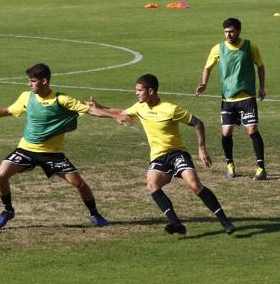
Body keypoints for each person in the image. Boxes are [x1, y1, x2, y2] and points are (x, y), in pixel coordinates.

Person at [0, 63, 127, 229]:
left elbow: (91, 110)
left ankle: (94, 214)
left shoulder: (61, 100)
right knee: (1, 175)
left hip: (52, 154)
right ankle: (8, 211)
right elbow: (8, 111)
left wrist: (113, 116)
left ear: (44, 81)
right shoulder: (26, 97)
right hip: (26, 149)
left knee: (80, 184)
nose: (29, 84)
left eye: (32, 81)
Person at [90, 74, 236, 235]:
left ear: (151, 91)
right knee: (152, 184)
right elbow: (121, 112)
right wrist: (99, 106)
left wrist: (201, 148)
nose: (136, 93)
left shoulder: (170, 109)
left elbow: (197, 123)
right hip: (159, 157)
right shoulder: (140, 107)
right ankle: (176, 223)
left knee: (194, 184)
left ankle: (225, 221)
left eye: (139, 90)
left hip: (177, 153)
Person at [195, 18, 267, 180]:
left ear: (239, 31)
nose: (229, 34)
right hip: (228, 99)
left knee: (252, 130)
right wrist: (204, 84)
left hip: (247, 97)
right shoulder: (218, 49)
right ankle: (230, 164)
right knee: (226, 132)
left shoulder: (250, 46)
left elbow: (260, 66)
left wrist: (261, 87)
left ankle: (261, 168)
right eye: (226, 32)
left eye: (232, 31)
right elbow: (207, 68)